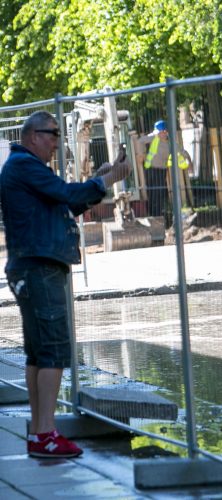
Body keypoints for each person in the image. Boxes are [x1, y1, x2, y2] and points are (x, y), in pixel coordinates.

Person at [0, 111, 131, 458]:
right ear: (32, 137)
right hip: (39, 267)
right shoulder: (25, 166)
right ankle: (46, 433)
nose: (57, 141)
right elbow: (66, 196)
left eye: (58, 134)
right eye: (52, 134)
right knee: (53, 351)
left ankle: (40, 432)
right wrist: (109, 179)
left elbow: (64, 197)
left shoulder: (25, 166)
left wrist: (101, 177)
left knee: (38, 352)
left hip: (33, 265)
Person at [137, 119, 192, 217]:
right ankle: (153, 215)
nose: (160, 134)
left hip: (162, 171)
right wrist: (141, 154)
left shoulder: (170, 144)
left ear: (165, 132)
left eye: (161, 132)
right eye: (158, 132)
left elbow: (182, 152)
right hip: (151, 170)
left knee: (160, 193)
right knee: (152, 194)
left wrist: (189, 162)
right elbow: (140, 141)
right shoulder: (153, 137)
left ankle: (159, 215)